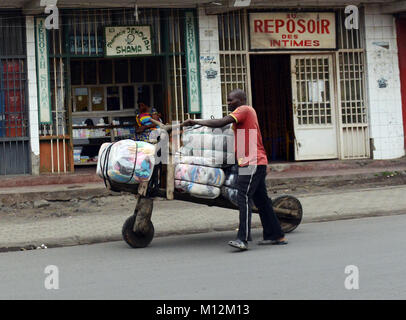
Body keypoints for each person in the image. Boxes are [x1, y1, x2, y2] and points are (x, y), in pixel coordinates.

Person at [181, 89, 287, 251]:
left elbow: (220, 122)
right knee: (262, 201)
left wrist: (196, 122)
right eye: (227, 100)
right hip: (249, 161)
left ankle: (242, 239)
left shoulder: (244, 110)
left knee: (243, 197)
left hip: (252, 162)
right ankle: (276, 235)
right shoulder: (244, 114)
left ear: (240, 100)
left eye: (231, 100)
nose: (228, 103)